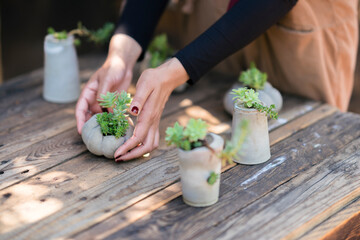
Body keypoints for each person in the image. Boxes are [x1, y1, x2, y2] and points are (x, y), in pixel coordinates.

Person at [76, 0, 359, 161]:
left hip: (299, 23)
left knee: (303, 148)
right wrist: (122, 54)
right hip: (215, 17)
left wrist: (179, 69)